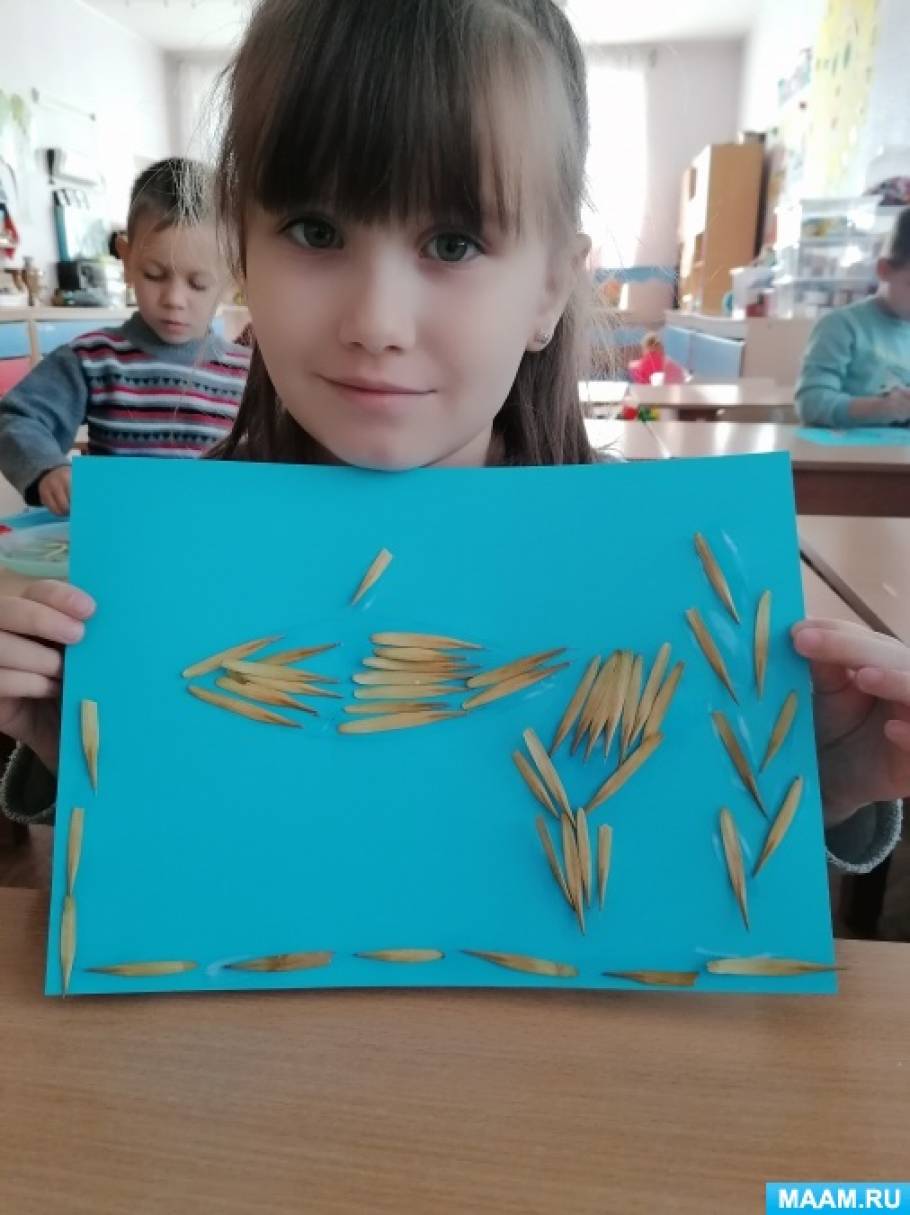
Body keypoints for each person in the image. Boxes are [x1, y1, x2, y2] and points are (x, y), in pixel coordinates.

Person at [0, 0, 904, 872]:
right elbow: (172, 850)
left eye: (454, 243)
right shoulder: (166, 564)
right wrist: (65, 741)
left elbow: (679, 870)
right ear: (244, 255)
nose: (377, 322)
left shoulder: (661, 576)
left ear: (550, 287)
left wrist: (819, 779)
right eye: (316, 231)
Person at [0, 158, 249, 516]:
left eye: (198, 284)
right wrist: (48, 469)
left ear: (231, 281)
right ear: (127, 259)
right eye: (154, 274)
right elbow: (17, 417)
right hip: (116, 533)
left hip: (212, 535)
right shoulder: (93, 358)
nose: (174, 299)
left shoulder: (246, 375)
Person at [796, 206, 910, 428]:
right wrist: (879, 408)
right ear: (884, 270)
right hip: (849, 448)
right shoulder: (842, 327)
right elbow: (811, 403)